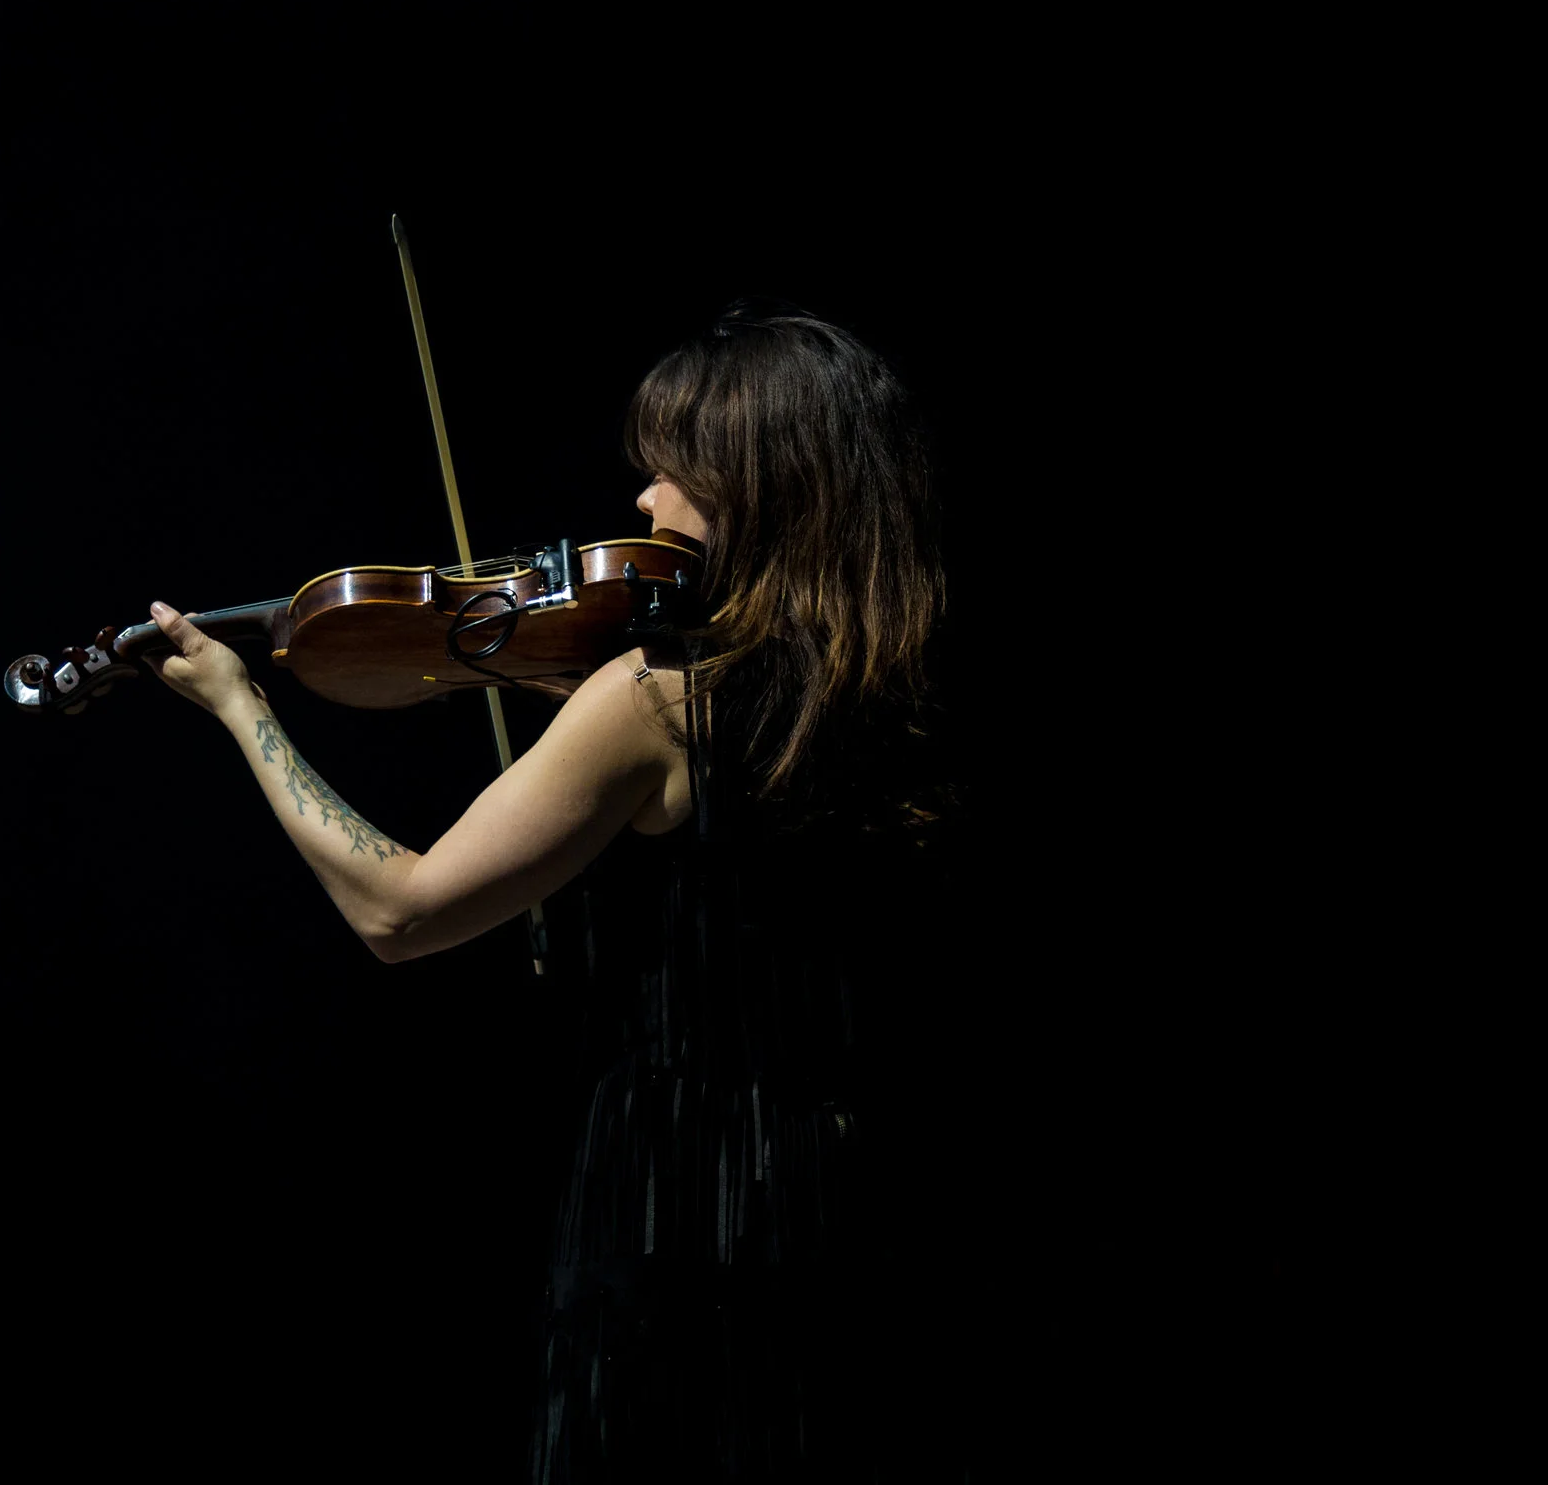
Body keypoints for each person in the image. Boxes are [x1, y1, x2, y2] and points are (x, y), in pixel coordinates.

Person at [141, 300, 953, 1480]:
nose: (644, 503)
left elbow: (400, 910)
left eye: (674, 471)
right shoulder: (901, 699)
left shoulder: (657, 699)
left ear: (756, 480)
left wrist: (238, 706)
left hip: (683, 1201)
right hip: (865, 1207)